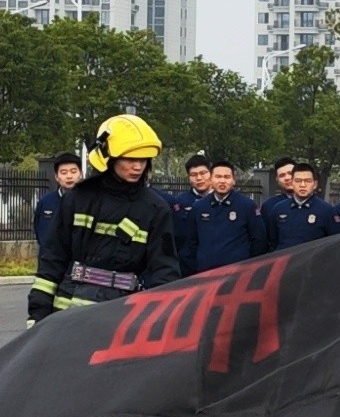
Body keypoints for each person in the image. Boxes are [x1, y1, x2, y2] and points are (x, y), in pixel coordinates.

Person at [29, 114, 179, 324]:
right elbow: (52, 258)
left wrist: (155, 321)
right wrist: (38, 316)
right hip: (67, 316)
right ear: (108, 157)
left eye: (143, 160)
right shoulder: (78, 198)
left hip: (122, 315)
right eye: (130, 159)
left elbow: (165, 272)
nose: (138, 167)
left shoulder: (155, 209)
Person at [193, 160, 265, 270]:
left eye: (227, 177)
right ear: (211, 179)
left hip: (238, 272)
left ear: (233, 180)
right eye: (218, 176)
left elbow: (259, 240)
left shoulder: (247, 206)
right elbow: (191, 242)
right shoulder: (199, 207)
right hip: (206, 272)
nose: (222, 181)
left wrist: (248, 266)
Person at [264, 162, 340, 249]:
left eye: (308, 181)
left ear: (315, 184)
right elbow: (272, 242)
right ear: (292, 183)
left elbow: (335, 244)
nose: (302, 185)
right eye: (298, 181)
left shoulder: (327, 210)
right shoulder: (278, 209)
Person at [162, 154, 211, 273]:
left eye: (203, 173)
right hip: (187, 267)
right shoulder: (179, 203)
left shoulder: (224, 201)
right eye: (193, 175)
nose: (199, 178)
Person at [34, 152, 84, 249]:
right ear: (56, 177)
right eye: (64, 172)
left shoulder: (90, 202)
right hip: (50, 256)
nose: (69, 176)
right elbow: (39, 231)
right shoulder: (46, 202)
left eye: (73, 172)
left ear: (81, 174)